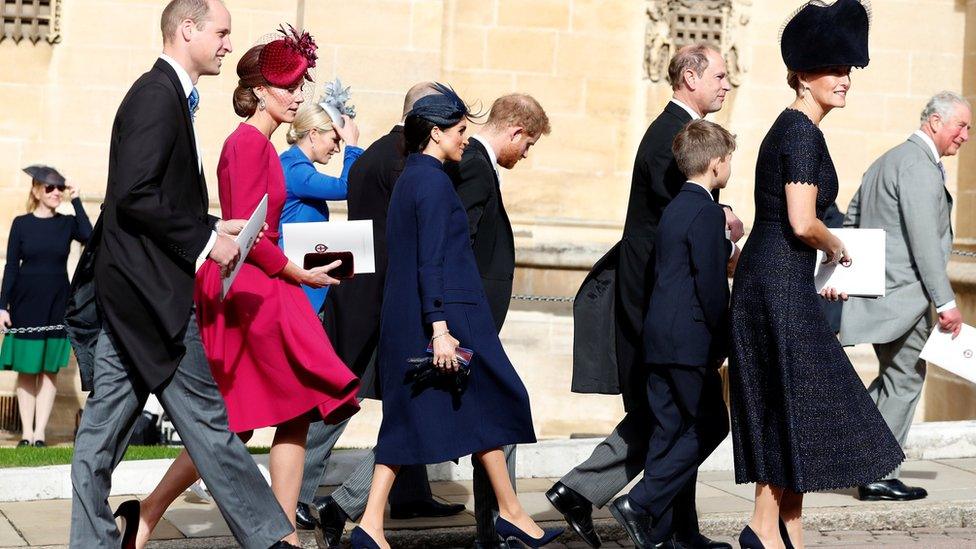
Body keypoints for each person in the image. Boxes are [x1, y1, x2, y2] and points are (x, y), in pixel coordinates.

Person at [67, 1, 302, 548]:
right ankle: (271, 539)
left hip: (138, 304)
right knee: (211, 433)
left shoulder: (170, 96)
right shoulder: (156, 96)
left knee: (100, 447)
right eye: (221, 33)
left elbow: (153, 196)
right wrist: (206, 240)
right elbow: (133, 197)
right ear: (188, 30)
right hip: (151, 306)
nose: (227, 44)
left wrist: (216, 224)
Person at [128, 25, 363, 549]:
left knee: (295, 410)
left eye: (303, 85)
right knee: (235, 422)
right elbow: (244, 232)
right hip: (249, 289)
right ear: (260, 90)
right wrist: (296, 272)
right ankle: (147, 513)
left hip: (270, 283)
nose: (299, 96)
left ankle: (283, 535)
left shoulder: (262, 144)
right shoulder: (244, 145)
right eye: (290, 86)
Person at [350, 83, 562, 549]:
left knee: (437, 416)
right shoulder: (428, 181)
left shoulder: (418, 175)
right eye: (461, 130)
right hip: (444, 318)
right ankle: (508, 513)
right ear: (436, 132)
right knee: (495, 400)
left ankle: (506, 513)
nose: (467, 138)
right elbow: (430, 258)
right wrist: (440, 329)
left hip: (430, 313)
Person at [548, 43, 741, 549]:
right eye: (720, 75)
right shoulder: (669, 138)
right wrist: (724, 228)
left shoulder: (679, 134)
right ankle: (648, 518)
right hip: (659, 306)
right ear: (690, 78)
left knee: (671, 421)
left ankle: (659, 523)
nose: (727, 83)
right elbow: (681, 226)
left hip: (663, 305)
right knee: (679, 421)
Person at [728, 2, 905, 548]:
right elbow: (804, 223)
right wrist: (838, 251)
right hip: (777, 284)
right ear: (804, 76)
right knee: (802, 401)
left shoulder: (795, 129)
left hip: (776, 280)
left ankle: (784, 530)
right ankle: (766, 527)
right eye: (836, 69)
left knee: (791, 403)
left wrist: (822, 261)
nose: (846, 79)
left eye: (849, 70)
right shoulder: (801, 134)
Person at [297, 83, 466, 547]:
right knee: (340, 395)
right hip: (382, 296)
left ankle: (411, 493)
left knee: (403, 396)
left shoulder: (375, 154)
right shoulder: (404, 163)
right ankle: (298, 492)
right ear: (424, 121)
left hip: (367, 290)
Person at [613, 120, 738, 549]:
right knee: (710, 425)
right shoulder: (705, 210)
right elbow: (708, 283)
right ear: (716, 163)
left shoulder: (675, 208)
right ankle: (641, 503)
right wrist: (723, 339)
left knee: (668, 437)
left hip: (659, 341)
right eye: (729, 160)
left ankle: (664, 534)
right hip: (689, 342)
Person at [841, 91, 971, 502]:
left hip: (879, 296)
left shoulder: (885, 161)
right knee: (905, 380)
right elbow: (925, 245)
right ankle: (877, 472)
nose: (965, 136)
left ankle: (852, 444)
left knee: (897, 377)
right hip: (906, 297)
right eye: (961, 126)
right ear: (934, 122)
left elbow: (852, 221)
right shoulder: (918, 165)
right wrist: (947, 303)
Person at [444, 92, 550, 548]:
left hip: (471, 318)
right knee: (501, 410)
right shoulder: (474, 166)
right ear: (515, 131)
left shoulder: (479, 164)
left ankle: (498, 529)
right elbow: (457, 243)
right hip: (468, 320)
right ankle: (503, 525)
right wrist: (455, 321)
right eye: (527, 146)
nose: (525, 156)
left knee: (455, 418)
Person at [1, 165, 92, 447]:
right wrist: (2, 306)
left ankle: (40, 433)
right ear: (37, 190)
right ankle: (26, 433)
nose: (56, 193)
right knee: (27, 370)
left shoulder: (66, 224)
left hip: (56, 302)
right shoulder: (21, 223)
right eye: (50, 188)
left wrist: (76, 199)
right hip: (25, 302)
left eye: (60, 188)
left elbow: (89, 236)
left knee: (49, 370)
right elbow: (11, 268)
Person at [279, 99, 364, 312]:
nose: (337, 149)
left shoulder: (294, 164)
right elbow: (345, 187)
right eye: (335, 140)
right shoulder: (295, 169)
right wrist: (352, 147)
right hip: (292, 278)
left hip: (301, 271)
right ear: (314, 134)